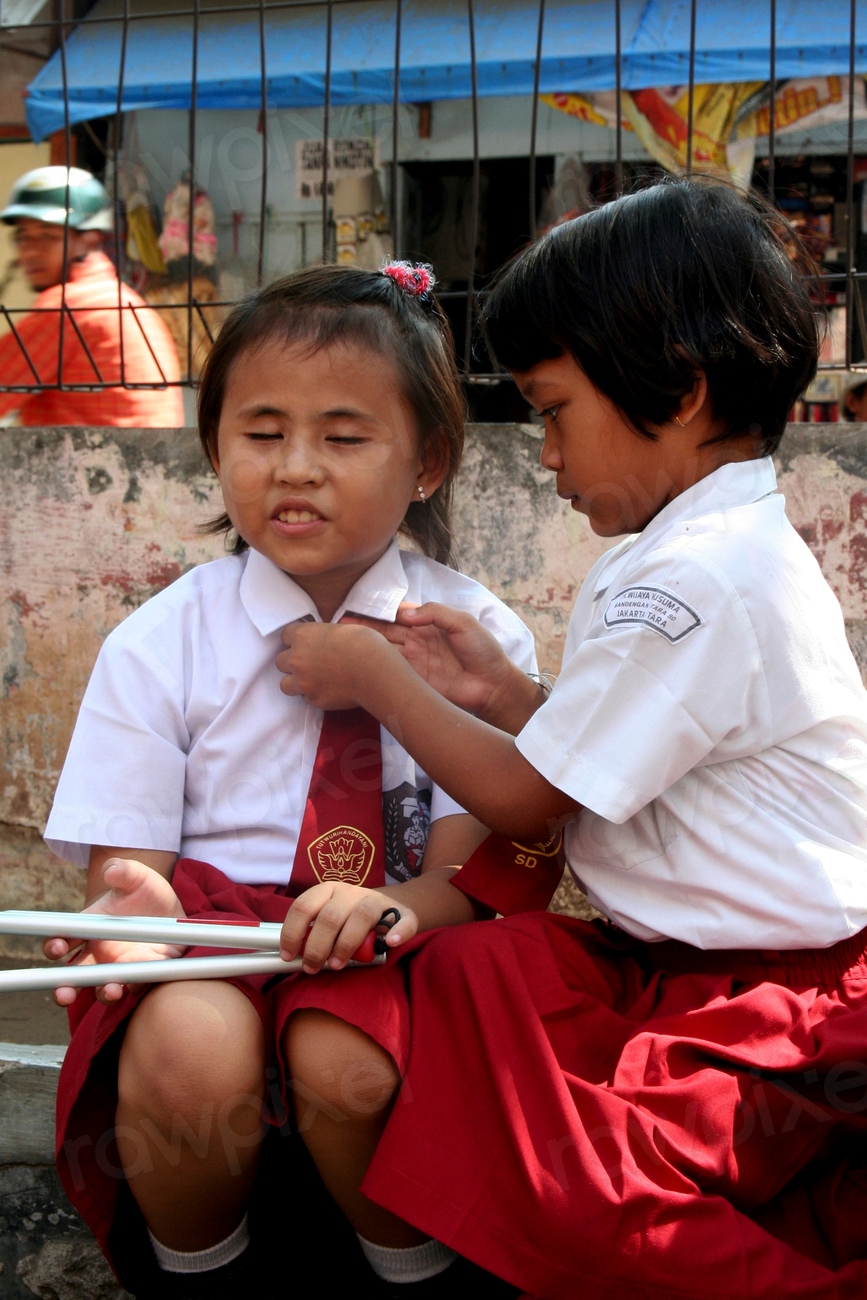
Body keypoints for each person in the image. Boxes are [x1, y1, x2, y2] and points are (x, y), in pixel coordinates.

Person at [272, 180, 867, 1298]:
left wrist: (374, 678)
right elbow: (610, 760)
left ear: (681, 392)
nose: (543, 454)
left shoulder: (688, 580)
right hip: (684, 968)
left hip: (782, 1001)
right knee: (476, 965)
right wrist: (502, 690)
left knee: (579, 1180)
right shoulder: (698, 545)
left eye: (552, 411)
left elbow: (531, 802)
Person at [43, 261, 536, 1298]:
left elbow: (470, 871)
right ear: (215, 446)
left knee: (346, 1061)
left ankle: (413, 1273)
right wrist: (130, 903)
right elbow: (129, 873)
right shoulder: (161, 639)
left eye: (344, 437)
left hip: (396, 933)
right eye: (260, 434)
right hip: (211, 933)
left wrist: (392, 908)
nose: (296, 467)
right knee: (185, 1049)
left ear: (430, 461)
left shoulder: (475, 636)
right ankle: (199, 1276)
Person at [0, 166, 183, 426]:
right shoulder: (127, 300)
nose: (30, 252)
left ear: (89, 239)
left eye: (47, 236)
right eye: (23, 238)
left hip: (91, 463)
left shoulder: (70, 307)